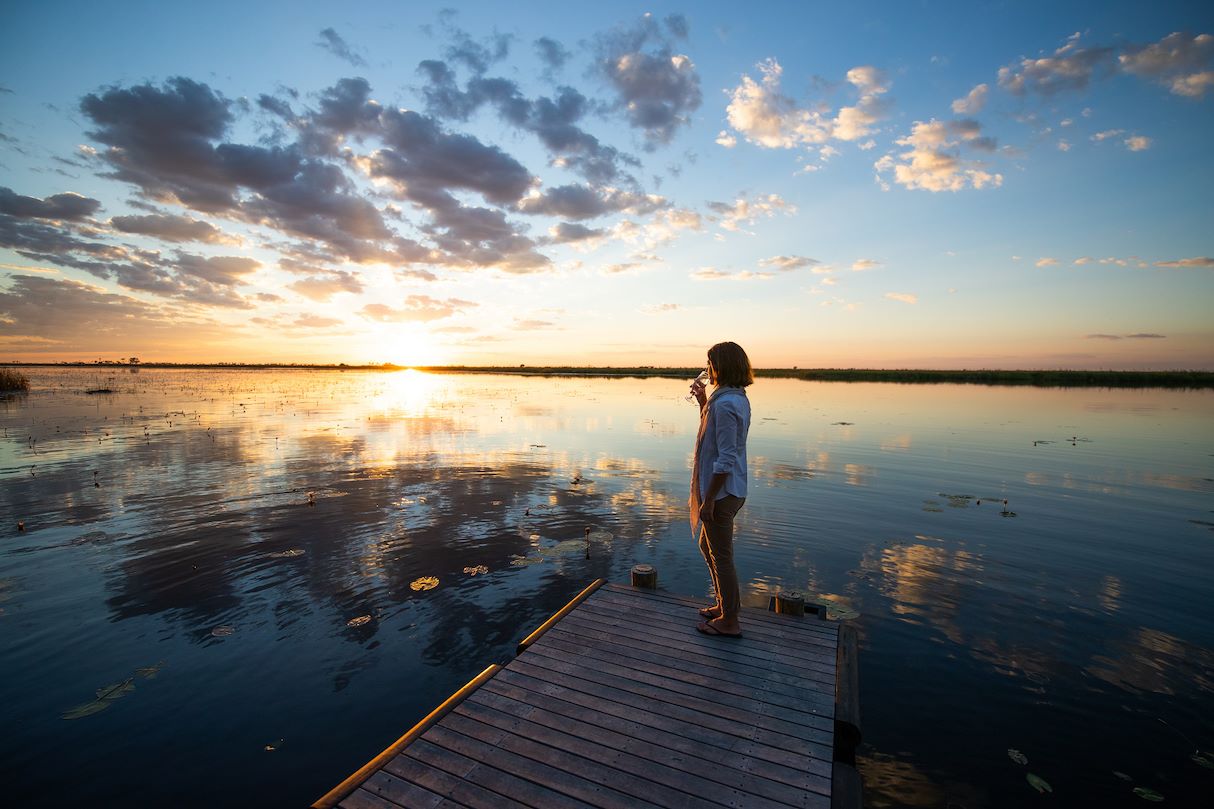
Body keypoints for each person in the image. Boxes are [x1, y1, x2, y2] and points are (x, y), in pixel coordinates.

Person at [689, 341, 753, 638]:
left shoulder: (727, 404)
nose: (707, 369)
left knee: (722, 556)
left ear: (720, 366)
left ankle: (730, 621)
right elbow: (714, 434)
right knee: (708, 547)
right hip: (728, 489)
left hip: (722, 493)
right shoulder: (729, 398)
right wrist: (702, 401)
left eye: (710, 362)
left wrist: (709, 499)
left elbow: (725, 457)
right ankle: (724, 606)